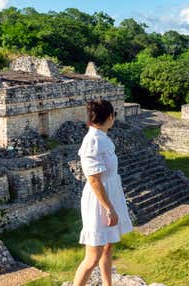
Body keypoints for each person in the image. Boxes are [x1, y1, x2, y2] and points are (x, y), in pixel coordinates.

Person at [72, 99, 133, 286]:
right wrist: (109, 209)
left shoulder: (102, 138)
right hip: (99, 201)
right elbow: (94, 180)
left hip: (109, 194)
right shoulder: (92, 141)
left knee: (107, 247)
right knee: (92, 256)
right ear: (110, 117)